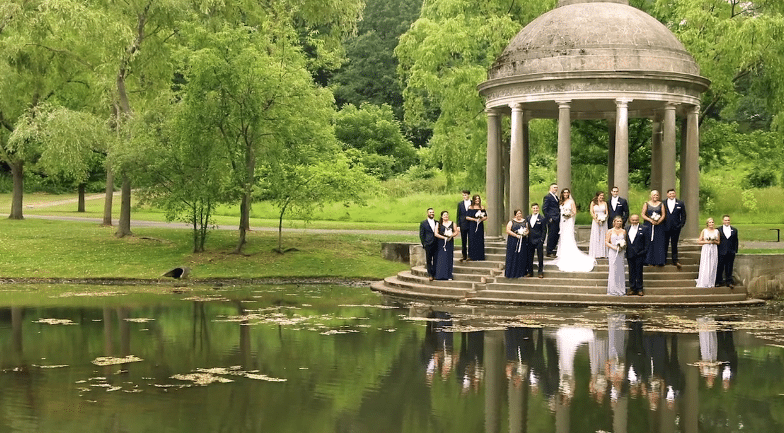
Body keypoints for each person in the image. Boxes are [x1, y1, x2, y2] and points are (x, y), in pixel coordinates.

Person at [550, 188, 596, 272]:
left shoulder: (571, 201)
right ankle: (562, 252)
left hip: (568, 220)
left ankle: (569, 252)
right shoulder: (561, 201)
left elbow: (574, 211)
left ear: (569, 193)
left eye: (567, 192)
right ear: (562, 193)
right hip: (562, 221)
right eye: (564, 192)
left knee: (568, 235)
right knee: (563, 236)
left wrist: (568, 215)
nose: (566, 194)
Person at [625, 214, 649, 296]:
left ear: (638, 220)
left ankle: (639, 289)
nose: (634, 222)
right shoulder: (626, 228)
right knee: (631, 271)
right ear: (630, 220)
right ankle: (632, 288)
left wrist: (643, 252)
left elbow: (647, 242)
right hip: (630, 253)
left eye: (636, 220)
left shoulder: (644, 229)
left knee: (639, 271)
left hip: (640, 254)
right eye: (633, 220)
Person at [641, 190, 666, 266]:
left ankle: (659, 261)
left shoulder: (661, 204)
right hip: (648, 225)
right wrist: (650, 220)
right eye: (654, 195)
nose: (655, 197)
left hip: (659, 226)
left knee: (658, 242)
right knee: (648, 242)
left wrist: (658, 221)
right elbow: (643, 214)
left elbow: (663, 215)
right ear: (650, 196)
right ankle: (648, 260)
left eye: (657, 195)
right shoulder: (646, 204)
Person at [663, 189, 687, 269]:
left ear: (675, 194)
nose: (671, 195)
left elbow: (683, 215)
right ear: (667, 194)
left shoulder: (680, 203)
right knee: (664, 244)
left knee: (674, 244)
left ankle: (675, 260)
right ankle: (663, 260)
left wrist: (681, 225)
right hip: (665, 227)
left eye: (673, 193)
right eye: (670, 194)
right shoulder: (663, 203)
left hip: (676, 228)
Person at [434, 211, 459, 280]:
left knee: (449, 258)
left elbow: (456, 231)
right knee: (441, 258)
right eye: (444, 215)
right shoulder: (438, 224)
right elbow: (436, 233)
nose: (446, 216)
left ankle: (449, 275)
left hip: (449, 242)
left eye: (447, 215)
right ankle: (440, 275)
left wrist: (451, 236)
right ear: (442, 216)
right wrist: (444, 237)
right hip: (441, 243)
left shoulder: (452, 223)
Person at [605, 216, 626, 296]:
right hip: (613, 252)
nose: (619, 223)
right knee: (613, 269)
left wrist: (622, 246)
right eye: (617, 221)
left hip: (620, 252)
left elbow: (625, 241)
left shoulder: (624, 231)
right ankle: (612, 289)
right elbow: (606, 242)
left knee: (620, 269)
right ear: (614, 222)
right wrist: (613, 247)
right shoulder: (610, 231)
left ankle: (621, 289)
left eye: (620, 221)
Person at [695, 217, 719, 288]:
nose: (711, 224)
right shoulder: (704, 231)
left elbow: (718, 242)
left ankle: (711, 282)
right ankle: (704, 281)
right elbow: (699, 241)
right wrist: (707, 242)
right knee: (705, 263)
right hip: (706, 248)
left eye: (712, 222)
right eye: (710, 222)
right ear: (707, 224)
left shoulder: (716, 231)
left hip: (714, 248)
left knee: (713, 264)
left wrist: (713, 241)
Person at [504, 209, 529, 278]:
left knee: (521, 256)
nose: (519, 215)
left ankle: (521, 272)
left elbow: (527, 230)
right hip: (513, 241)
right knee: (512, 255)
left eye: (520, 213)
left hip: (522, 241)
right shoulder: (511, 222)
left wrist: (524, 234)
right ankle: (511, 272)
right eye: (518, 213)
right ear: (515, 215)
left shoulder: (524, 222)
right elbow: (508, 230)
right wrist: (516, 235)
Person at [716, 214, 739, 288]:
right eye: (725, 220)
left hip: (730, 251)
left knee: (729, 267)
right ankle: (719, 281)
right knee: (720, 267)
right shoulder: (718, 230)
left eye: (728, 220)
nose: (727, 221)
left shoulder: (734, 230)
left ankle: (729, 281)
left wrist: (735, 250)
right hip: (721, 251)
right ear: (723, 221)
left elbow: (736, 241)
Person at [526, 203, 546, 278]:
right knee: (529, 257)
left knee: (540, 257)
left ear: (538, 209)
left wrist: (542, 240)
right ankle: (530, 272)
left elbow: (544, 230)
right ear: (531, 209)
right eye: (534, 208)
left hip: (538, 240)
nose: (535, 209)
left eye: (536, 208)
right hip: (530, 240)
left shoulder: (542, 218)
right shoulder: (528, 218)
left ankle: (540, 272)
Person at [465, 194, 487, 261]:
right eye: (476, 199)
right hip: (472, 225)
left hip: (479, 225)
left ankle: (480, 256)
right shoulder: (470, 207)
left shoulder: (482, 207)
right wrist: (474, 220)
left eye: (478, 199)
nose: (477, 200)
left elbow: (486, 217)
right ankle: (472, 256)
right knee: (472, 239)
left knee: (479, 239)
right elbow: (467, 217)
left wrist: (481, 219)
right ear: (474, 200)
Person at [419, 208, 438, 281]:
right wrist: (424, 244)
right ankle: (430, 274)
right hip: (428, 244)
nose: (432, 213)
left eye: (433, 212)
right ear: (427, 213)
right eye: (430, 212)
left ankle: (435, 274)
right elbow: (421, 234)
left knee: (436, 259)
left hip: (436, 243)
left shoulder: (437, 222)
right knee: (429, 260)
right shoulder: (423, 223)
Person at [589, 191, 609, 259]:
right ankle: (596, 253)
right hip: (596, 221)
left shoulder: (605, 203)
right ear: (597, 196)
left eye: (603, 195)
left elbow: (606, 212)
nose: (602, 197)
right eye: (600, 195)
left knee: (603, 236)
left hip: (603, 221)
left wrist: (604, 218)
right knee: (596, 235)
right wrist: (596, 219)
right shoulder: (593, 203)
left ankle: (603, 253)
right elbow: (591, 212)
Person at [543, 183, 560, 257]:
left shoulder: (556, 197)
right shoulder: (547, 197)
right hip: (552, 219)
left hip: (557, 219)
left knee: (556, 235)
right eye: (554, 187)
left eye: (556, 187)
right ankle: (549, 251)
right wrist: (549, 218)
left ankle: (552, 249)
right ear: (550, 188)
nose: (555, 189)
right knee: (551, 235)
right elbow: (544, 209)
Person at [457, 190, 472, 262]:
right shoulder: (460, 204)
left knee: (471, 240)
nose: (464, 196)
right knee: (463, 240)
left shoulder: (472, 203)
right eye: (463, 195)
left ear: (468, 195)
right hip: (463, 224)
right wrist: (458, 225)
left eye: (465, 195)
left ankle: (470, 255)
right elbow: (458, 215)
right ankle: (464, 255)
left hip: (471, 223)